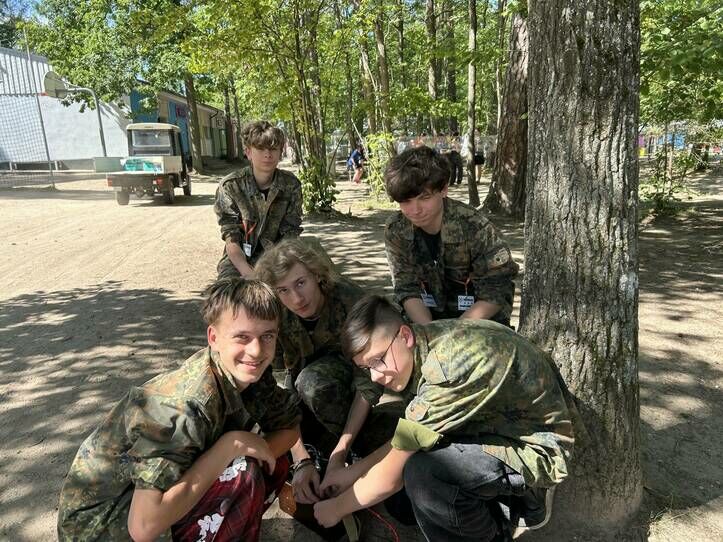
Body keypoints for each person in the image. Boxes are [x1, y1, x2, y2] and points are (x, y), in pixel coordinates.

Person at [313, 295, 577, 542]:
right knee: (402, 503)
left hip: (536, 448)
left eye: (378, 361)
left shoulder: (445, 371)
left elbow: (391, 474)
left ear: (405, 336)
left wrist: (336, 509)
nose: (375, 376)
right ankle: (493, 507)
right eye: (366, 367)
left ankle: (514, 515)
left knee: (422, 475)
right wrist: (351, 474)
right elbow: (405, 441)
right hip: (494, 426)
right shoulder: (423, 341)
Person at [57, 279, 302, 542]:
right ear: (214, 338)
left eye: (267, 336)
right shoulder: (185, 406)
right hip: (98, 526)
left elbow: (289, 427)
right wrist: (231, 446)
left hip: (140, 507)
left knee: (265, 464)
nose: (256, 350)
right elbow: (143, 527)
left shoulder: (247, 372)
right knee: (242, 473)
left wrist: (264, 452)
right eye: (242, 337)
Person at [254, 238, 394, 506]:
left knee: (313, 384)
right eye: (283, 290)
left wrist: (341, 453)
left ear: (317, 274)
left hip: (358, 378)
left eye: (300, 283)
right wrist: (301, 459)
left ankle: (352, 450)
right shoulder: (275, 315)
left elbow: (369, 382)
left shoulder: (352, 303)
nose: (296, 299)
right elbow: (277, 388)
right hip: (306, 383)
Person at [383, 145, 519, 327]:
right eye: (406, 201)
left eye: (424, 198)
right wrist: (431, 331)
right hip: (425, 322)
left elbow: (497, 289)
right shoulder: (396, 229)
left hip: (477, 325)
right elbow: (406, 288)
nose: (415, 210)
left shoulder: (476, 227)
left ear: (444, 190)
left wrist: (451, 333)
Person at [215, 121, 303, 280]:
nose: (268, 154)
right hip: (239, 259)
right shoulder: (231, 186)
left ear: (280, 152)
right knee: (227, 291)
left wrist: (276, 268)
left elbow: (290, 234)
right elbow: (231, 238)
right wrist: (248, 272)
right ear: (248, 152)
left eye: (273, 149)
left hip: (280, 256)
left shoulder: (291, 185)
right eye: (261, 148)